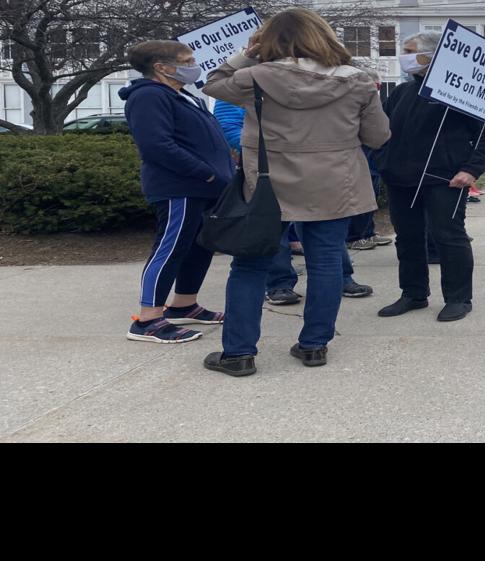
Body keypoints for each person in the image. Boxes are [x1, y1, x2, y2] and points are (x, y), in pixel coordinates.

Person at [200, 8, 390, 375]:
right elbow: (378, 137)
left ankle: (238, 353)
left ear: (267, 42)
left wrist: (247, 53)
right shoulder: (359, 81)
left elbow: (213, 83)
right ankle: (315, 346)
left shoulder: (255, 76)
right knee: (326, 264)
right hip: (335, 185)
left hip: (268, 187)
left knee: (250, 265)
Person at [375, 31, 485, 323]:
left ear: (431, 55)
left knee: (448, 237)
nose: (402, 55)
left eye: (409, 50)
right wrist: (384, 163)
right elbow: (382, 132)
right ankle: (413, 294)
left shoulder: (459, 92)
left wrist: (470, 170)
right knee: (407, 238)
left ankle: (458, 298)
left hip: (445, 179)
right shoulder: (402, 92)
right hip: (401, 179)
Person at [118, 40, 235, 343]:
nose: (193, 64)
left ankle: (185, 305)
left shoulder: (181, 95)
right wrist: (206, 172)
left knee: (198, 247)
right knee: (169, 249)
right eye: (187, 60)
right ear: (162, 67)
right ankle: (148, 321)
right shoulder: (147, 96)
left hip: (203, 189)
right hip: (179, 189)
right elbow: (157, 146)